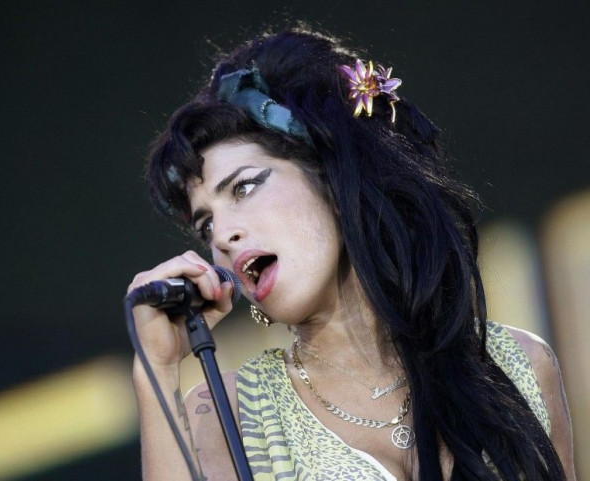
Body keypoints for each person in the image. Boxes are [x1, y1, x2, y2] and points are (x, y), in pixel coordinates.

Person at [127, 27, 576, 480]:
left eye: (244, 187)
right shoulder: (226, 418)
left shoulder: (518, 366)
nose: (221, 236)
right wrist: (156, 373)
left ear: (332, 177)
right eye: (205, 225)